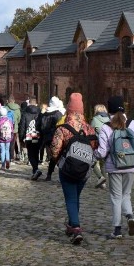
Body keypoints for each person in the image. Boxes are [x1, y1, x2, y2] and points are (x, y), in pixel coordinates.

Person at [94, 96, 134, 239]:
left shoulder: (106, 127)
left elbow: (102, 152)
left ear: (109, 111)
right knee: (126, 195)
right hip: (131, 165)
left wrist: (93, 153)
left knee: (115, 197)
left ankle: (117, 229)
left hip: (114, 167)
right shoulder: (133, 124)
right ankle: (130, 217)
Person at [49, 93, 97, 245]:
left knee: (70, 198)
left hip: (68, 169)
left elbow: (55, 149)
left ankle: (76, 228)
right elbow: (95, 147)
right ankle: (71, 225)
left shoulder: (62, 128)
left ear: (68, 109)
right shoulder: (89, 129)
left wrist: (58, 162)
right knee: (75, 197)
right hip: (84, 170)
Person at [40, 97, 66, 181]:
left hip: (47, 137)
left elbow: (42, 127)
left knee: (53, 156)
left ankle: (49, 174)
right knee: (58, 156)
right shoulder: (58, 114)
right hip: (57, 137)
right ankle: (61, 174)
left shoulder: (45, 114)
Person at [18, 98, 42, 180]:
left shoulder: (25, 113)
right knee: (36, 153)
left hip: (29, 136)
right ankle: (35, 170)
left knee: (31, 154)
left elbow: (22, 126)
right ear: (36, 104)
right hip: (38, 135)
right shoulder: (40, 114)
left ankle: (36, 169)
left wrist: (21, 138)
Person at [90, 104, 111, 189]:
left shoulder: (95, 119)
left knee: (91, 161)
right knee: (103, 164)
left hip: (97, 144)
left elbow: (90, 132)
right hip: (107, 144)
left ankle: (100, 177)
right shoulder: (109, 119)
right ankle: (104, 182)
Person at [5, 97, 22, 163]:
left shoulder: (6, 108)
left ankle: (7, 156)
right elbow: (19, 118)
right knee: (13, 142)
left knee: (6, 142)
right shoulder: (18, 109)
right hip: (14, 128)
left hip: (6, 127)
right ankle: (12, 157)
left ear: (8, 101)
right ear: (14, 101)